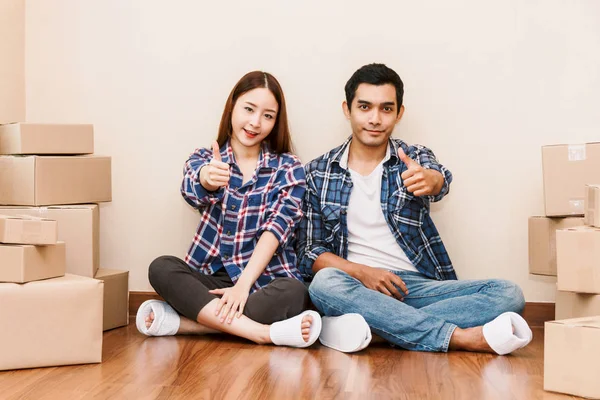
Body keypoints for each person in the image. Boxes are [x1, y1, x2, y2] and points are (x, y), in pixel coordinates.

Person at [297, 63, 532, 355]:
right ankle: (457, 337)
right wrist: (363, 272)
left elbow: (439, 180)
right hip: (355, 286)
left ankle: (379, 329)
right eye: (365, 107)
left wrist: (432, 181)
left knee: (508, 294)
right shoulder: (317, 173)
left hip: (417, 289)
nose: (375, 118)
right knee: (324, 283)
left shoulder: (414, 156)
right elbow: (309, 253)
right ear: (347, 109)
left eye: (386, 109)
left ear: (399, 113)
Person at [136, 71, 321, 348]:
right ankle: (262, 333)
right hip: (212, 278)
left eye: (268, 115)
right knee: (161, 267)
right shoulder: (205, 158)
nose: (255, 122)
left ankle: (190, 323)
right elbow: (191, 189)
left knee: (295, 292)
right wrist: (207, 180)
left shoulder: (288, 167)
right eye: (248, 109)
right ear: (232, 106)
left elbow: (276, 230)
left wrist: (242, 286)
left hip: (262, 279)